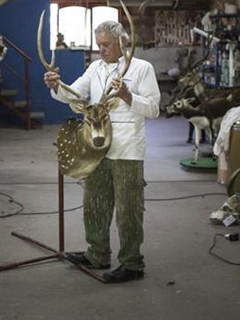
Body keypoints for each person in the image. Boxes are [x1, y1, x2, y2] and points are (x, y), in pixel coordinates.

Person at [43, 20, 160, 283]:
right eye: (99, 45)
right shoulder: (94, 68)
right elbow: (75, 95)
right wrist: (56, 86)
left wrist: (129, 97)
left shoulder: (142, 68)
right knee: (94, 203)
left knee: (129, 209)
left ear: (122, 42)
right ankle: (97, 253)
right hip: (97, 147)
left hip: (127, 149)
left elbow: (154, 109)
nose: (101, 50)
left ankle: (131, 264)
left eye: (106, 45)